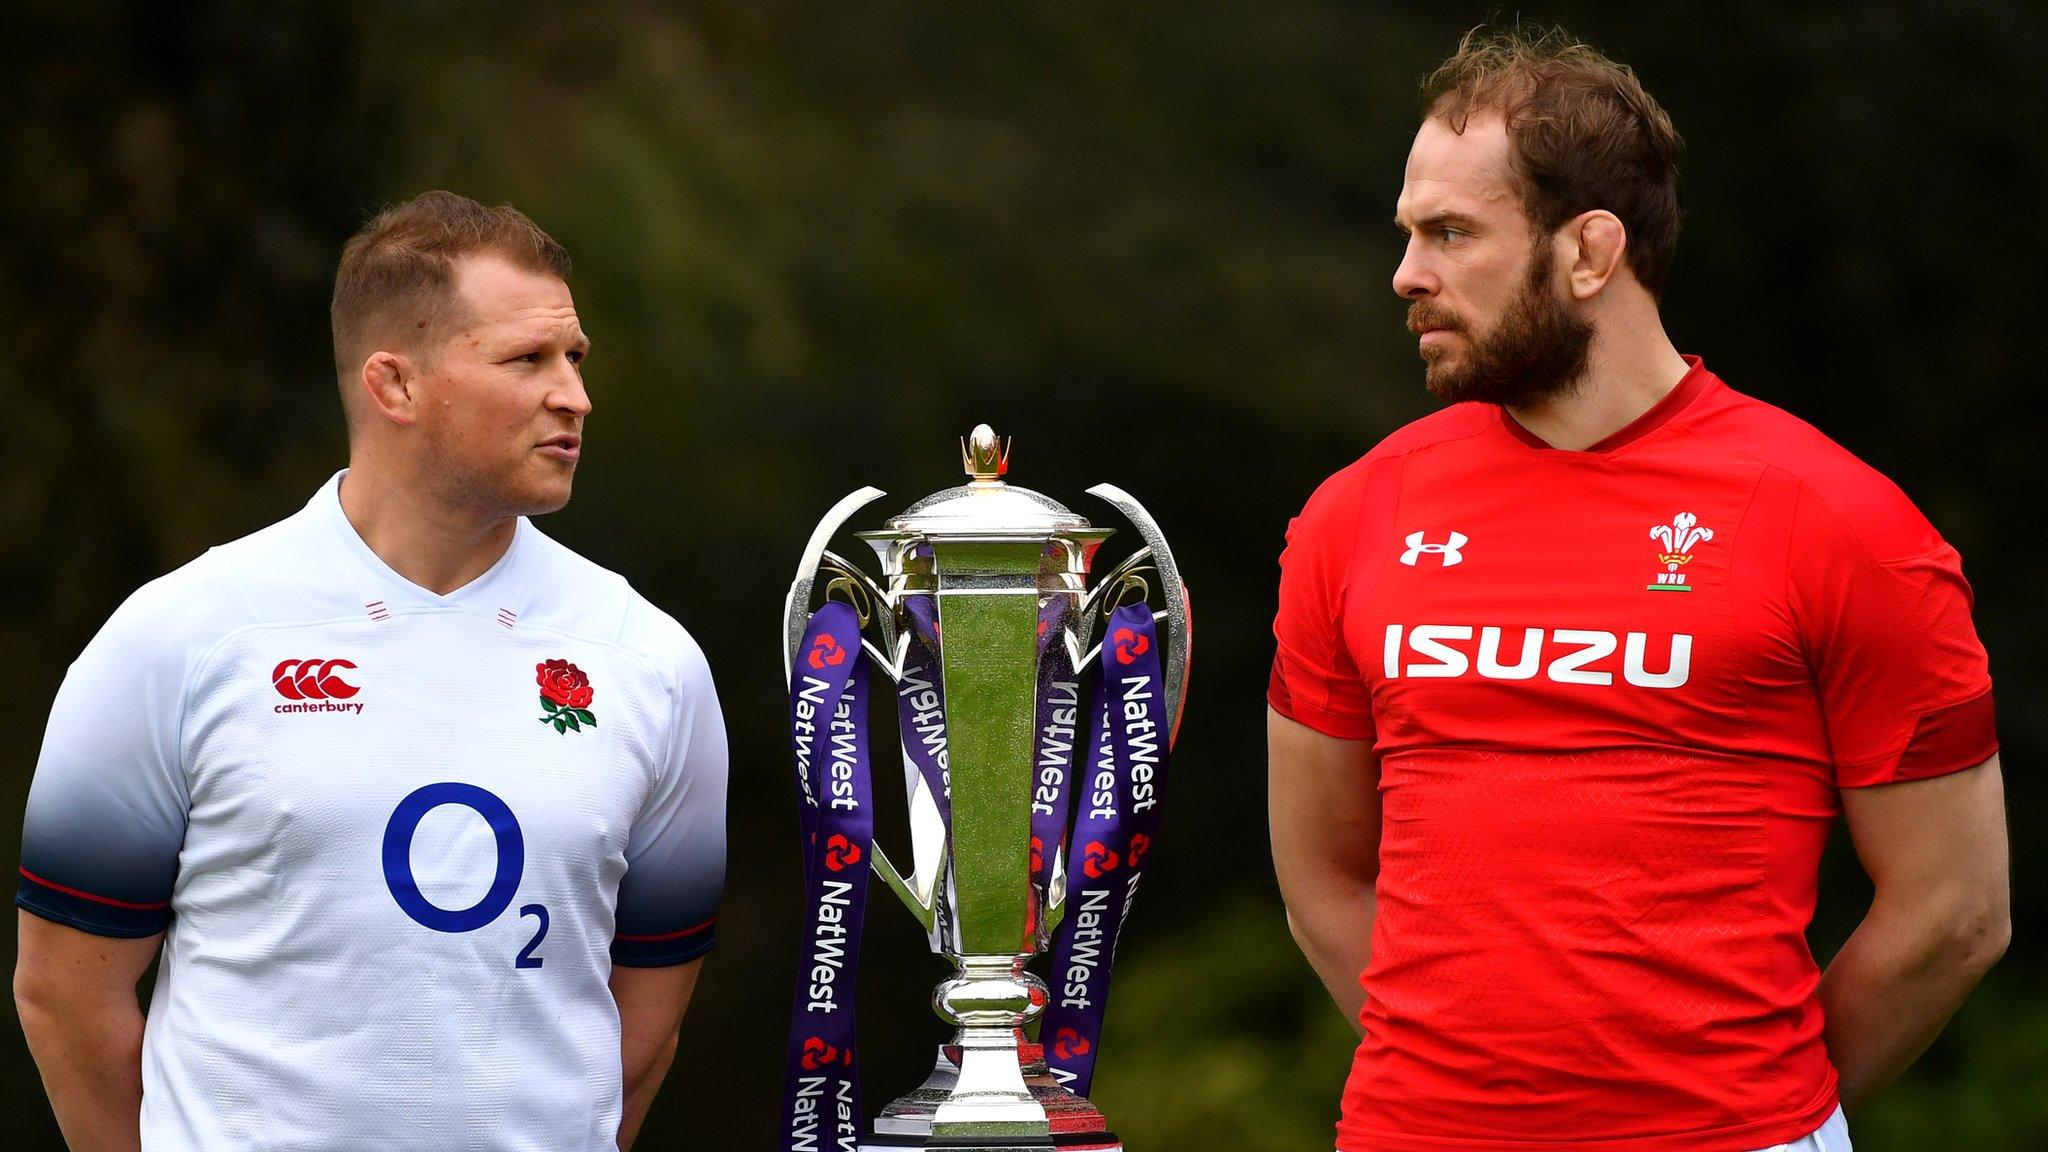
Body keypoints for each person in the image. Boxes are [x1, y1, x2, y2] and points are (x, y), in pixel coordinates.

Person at [1267, 28, 2008, 1152]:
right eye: (1407, 234)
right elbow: (1318, 873)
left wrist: (1765, 1111)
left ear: (1588, 252)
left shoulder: (1839, 520)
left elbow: (1953, 915)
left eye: (1449, 234)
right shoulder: (1352, 514)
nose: (1404, 273)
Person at [14, 191, 728, 1151]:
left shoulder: (649, 660)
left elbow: (646, 1018)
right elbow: (66, 994)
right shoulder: (181, 636)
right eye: (527, 360)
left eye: (575, 359)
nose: (575, 395)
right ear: (395, 386)